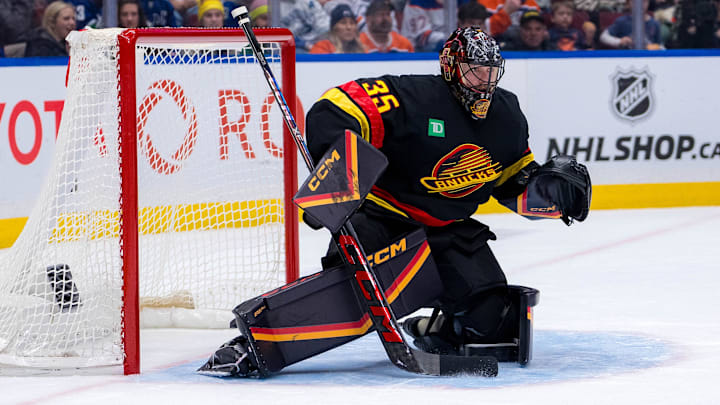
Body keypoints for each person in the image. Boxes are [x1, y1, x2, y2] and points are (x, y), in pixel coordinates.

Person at [198, 27, 591, 378]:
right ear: (452, 67)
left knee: (494, 324)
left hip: (447, 232)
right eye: (474, 70)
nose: (484, 82)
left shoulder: (507, 114)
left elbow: (508, 181)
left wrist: (547, 194)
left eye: (490, 71)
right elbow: (337, 107)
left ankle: (435, 328)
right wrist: (336, 178)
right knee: (349, 305)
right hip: (383, 224)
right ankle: (254, 343)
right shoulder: (414, 99)